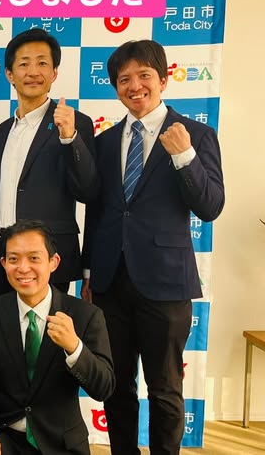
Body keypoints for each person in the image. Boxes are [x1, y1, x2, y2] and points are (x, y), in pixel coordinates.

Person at [81, 40, 225, 455]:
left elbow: (211, 206)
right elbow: (97, 213)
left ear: (164, 79)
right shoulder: (106, 142)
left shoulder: (196, 135)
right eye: (124, 79)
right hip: (110, 282)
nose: (135, 86)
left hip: (166, 282)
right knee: (116, 386)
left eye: (144, 75)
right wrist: (89, 274)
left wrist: (185, 157)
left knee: (165, 389)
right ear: (115, 88)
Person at [0, 220, 114, 455]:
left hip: (61, 443)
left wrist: (74, 348)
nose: (23, 268)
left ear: (54, 262)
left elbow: (104, 388)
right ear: (3, 264)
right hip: (3, 436)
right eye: (14, 259)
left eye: (34, 258)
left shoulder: (86, 315)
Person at [0, 28, 99, 299]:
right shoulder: (0, 132)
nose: (33, 72)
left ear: (54, 73)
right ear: (10, 74)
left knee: (45, 328)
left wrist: (69, 138)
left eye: (42, 63)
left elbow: (88, 191)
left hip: (45, 258)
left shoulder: (75, 123)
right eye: (23, 64)